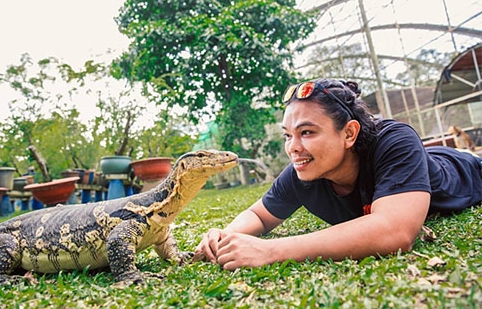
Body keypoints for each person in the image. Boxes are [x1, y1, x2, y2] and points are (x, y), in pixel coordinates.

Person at [195, 78, 482, 271]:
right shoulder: (303, 170)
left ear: (349, 133)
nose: (293, 148)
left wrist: (270, 251)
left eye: (307, 132)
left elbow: (395, 231)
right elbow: (259, 216)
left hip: (468, 168)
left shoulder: (394, 141)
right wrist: (225, 234)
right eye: (288, 135)